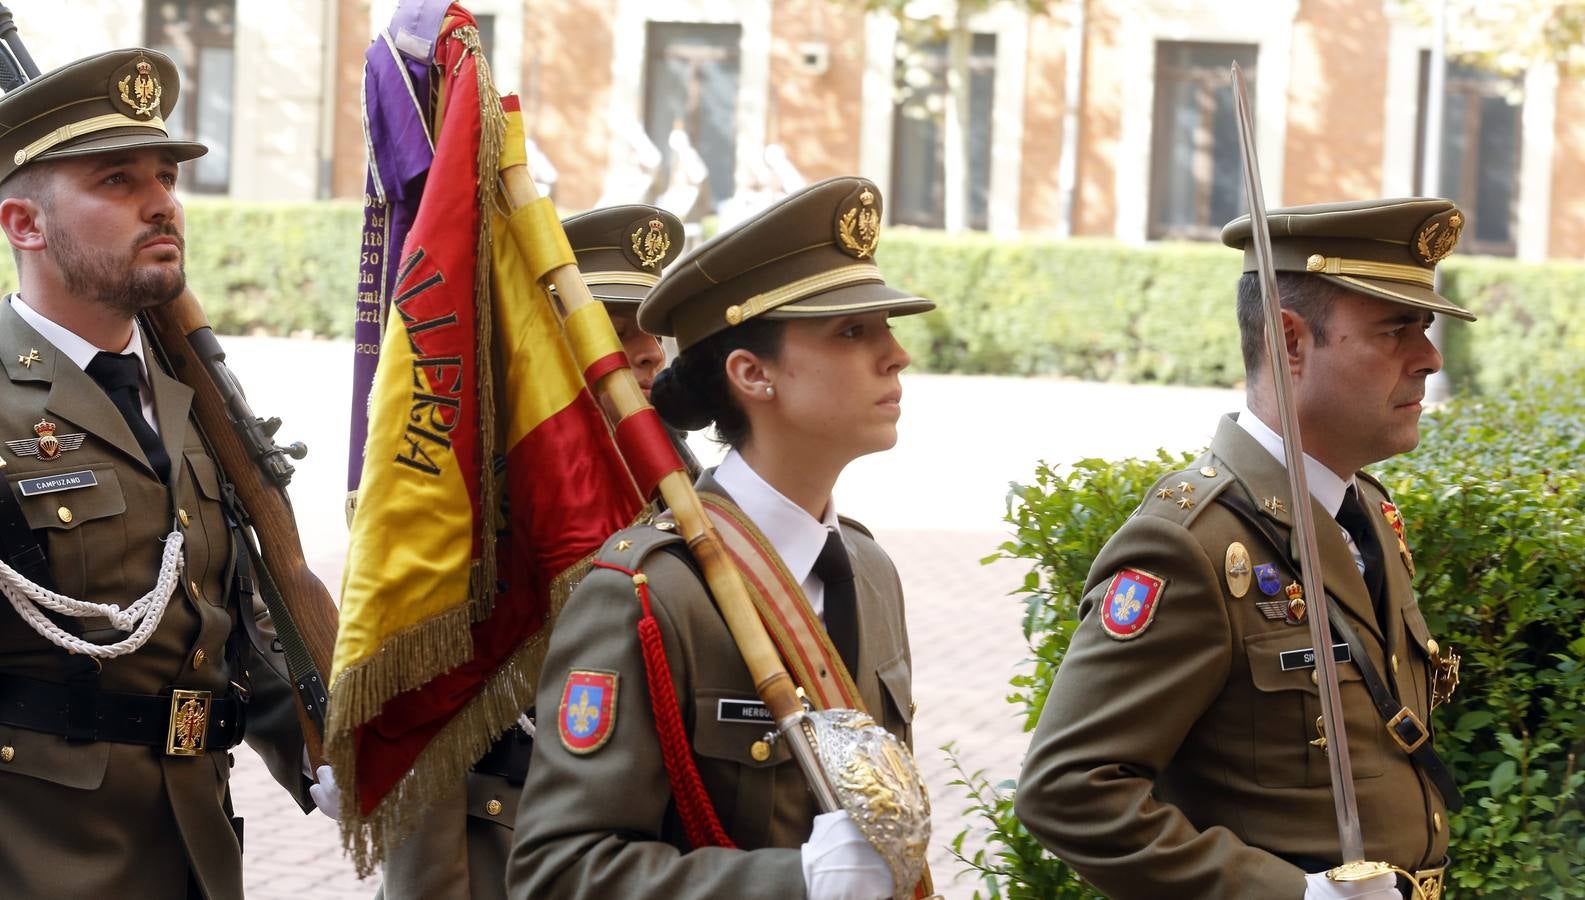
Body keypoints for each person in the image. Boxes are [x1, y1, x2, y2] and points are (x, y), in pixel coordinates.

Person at [1015, 198, 1472, 900]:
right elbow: (1068, 790)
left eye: (1426, 327)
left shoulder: (1367, 513)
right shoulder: (1191, 545)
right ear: (1289, 342)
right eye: (1394, 329)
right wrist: (1291, 896)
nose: (1429, 358)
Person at [505, 176, 932, 899]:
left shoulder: (869, 570)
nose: (896, 355)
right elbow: (558, 873)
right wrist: (795, 882)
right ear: (751, 374)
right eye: (852, 332)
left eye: (885, 327)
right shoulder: (647, 593)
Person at [0, 49, 325, 899]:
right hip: (43, 860)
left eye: (165, 177)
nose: (161, 203)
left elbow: (221, 616)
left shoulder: (193, 398)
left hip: (198, 853)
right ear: (25, 225)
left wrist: (318, 744)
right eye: (117, 181)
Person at [377, 204, 687, 900]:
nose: (648, 355)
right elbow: (426, 737)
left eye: (653, 334)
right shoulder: (472, 514)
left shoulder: (685, 493)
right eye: (616, 329)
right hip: (503, 854)